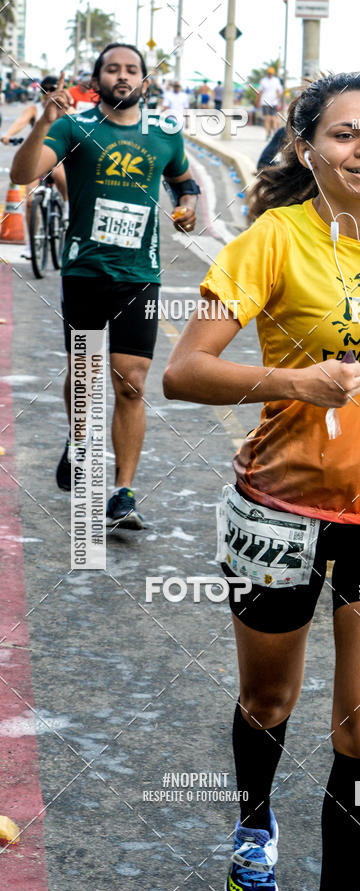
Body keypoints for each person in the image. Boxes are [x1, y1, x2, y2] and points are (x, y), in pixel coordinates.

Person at [163, 72, 360, 891]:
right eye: (345, 134)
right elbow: (185, 373)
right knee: (269, 701)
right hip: (280, 504)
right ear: (307, 147)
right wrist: (295, 384)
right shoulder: (271, 241)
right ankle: (254, 823)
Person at [10, 43, 199, 528]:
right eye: (112, 69)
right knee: (86, 376)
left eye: (131, 69)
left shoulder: (165, 133)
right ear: (97, 80)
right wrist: (42, 121)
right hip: (86, 272)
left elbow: (184, 181)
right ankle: (78, 443)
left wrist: (188, 205)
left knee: (132, 384)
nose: (122, 75)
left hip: (141, 275)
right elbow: (22, 173)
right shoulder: (74, 128)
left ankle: (122, 492)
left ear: (145, 81)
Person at [2, 75, 68, 258]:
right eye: (45, 90)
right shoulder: (34, 109)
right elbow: (21, 122)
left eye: (52, 90)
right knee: (30, 201)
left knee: (60, 173)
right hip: (37, 159)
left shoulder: (64, 108)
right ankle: (31, 246)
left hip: (57, 157)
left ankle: (68, 211)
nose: (48, 94)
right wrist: (8, 135)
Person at [256, 66, 282, 139]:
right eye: (269, 73)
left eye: (271, 73)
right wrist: (258, 101)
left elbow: (279, 91)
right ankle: (267, 134)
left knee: (273, 118)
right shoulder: (263, 80)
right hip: (265, 102)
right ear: (267, 73)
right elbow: (260, 92)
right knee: (267, 119)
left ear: (273, 74)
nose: (270, 74)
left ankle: (274, 134)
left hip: (274, 102)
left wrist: (279, 101)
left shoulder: (276, 80)